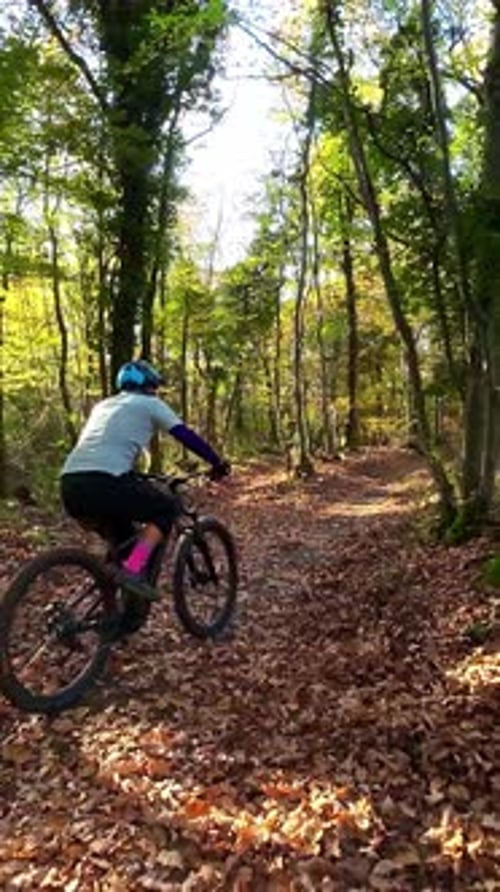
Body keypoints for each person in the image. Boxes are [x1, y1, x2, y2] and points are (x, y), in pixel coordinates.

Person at [60, 358, 230, 601]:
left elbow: (104, 449)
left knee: (124, 542)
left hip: (70, 485)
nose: (155, 391)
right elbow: (185, 435)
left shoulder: (102, 406)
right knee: (165, 509)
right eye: (154, 386)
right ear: (149, 385)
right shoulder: (150, 404)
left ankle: (119, 611)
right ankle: (132, 570)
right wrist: (216, 462)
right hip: (105, 483)